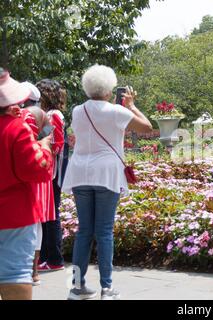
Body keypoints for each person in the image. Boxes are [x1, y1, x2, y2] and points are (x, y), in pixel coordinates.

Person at [62, 65, 153, 300]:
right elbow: (146, 126)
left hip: (80, 172)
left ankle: (77, 286)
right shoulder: (116, 111)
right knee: (104, 232)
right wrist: (131, 105)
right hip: (106, 174)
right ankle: (107, 288)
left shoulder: (77, 110)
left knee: (84, 231)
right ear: (109, 90)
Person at [0, 69, 53, 300]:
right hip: (15, 216)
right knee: (15, 273)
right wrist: (44, 146)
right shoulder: (15, 128)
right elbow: (38, 169)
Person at [35, 80, 67, 274]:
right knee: (47, 215)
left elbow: (57, 144)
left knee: (51, 215)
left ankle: (55, 258)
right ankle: (48, 257)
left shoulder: (53, 115)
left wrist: (40, 146)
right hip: (48, 170)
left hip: (50, 171)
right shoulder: (50, 114)